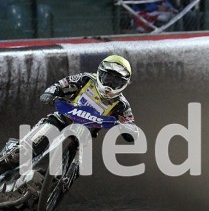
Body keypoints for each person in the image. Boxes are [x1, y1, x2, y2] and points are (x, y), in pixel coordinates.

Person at [0, 55, 135, 169]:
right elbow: (62, 83)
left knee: (77, 167)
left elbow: (131, 124)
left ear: (124, 84)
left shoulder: (122, 105)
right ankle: (10, 155)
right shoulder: (86, 79)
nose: (110, 84)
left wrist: (128, 131)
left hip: (83, 136)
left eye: (116, 81)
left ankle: (54, 185)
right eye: (108, 78)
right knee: (23, 152)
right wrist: (50, 93)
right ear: (100, 73)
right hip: (61, 119)